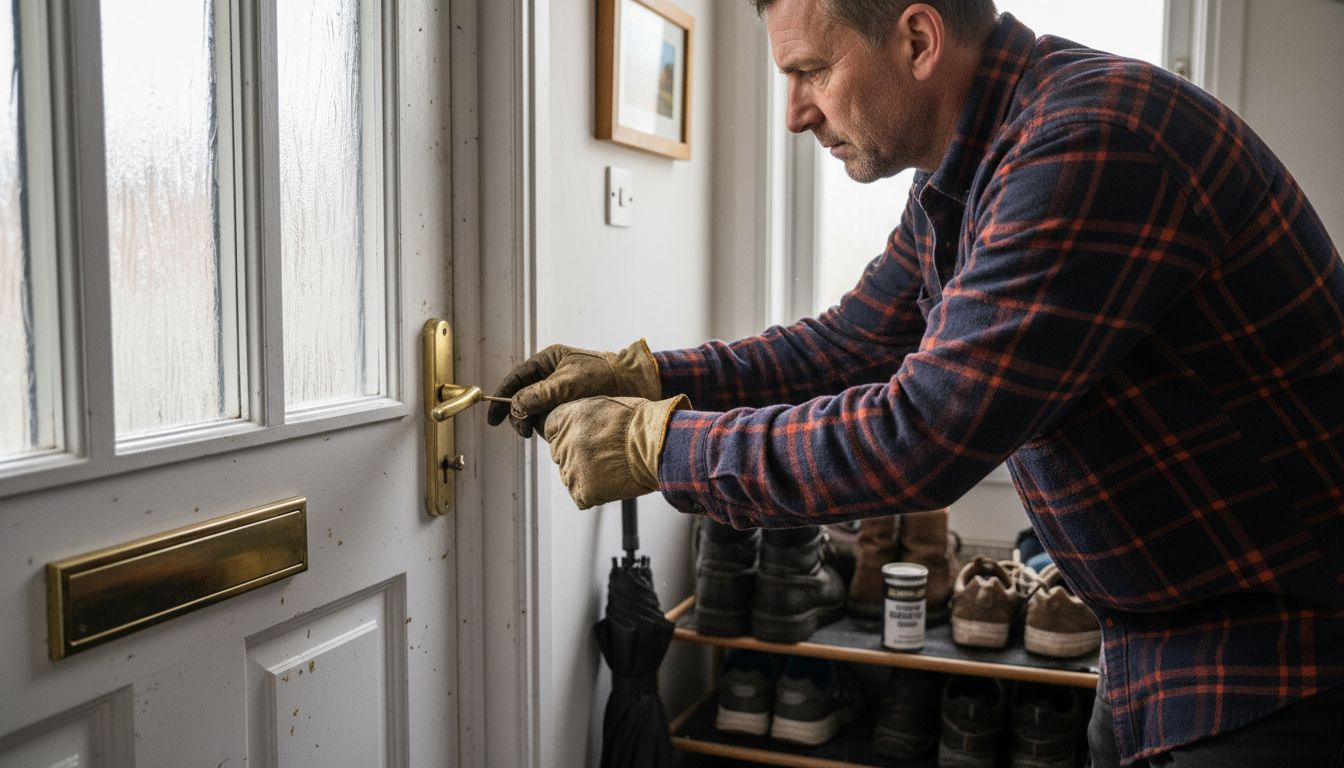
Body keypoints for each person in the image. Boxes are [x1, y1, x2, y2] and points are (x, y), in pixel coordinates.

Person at [488, 0, 1344, 765]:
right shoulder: (968, 168)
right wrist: (648, 375)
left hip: (1283, 659)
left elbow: (919, 437)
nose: (795, 113)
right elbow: (849, 345)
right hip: (1153, 640)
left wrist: (657, 445)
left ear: (919, 40)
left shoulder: (1088, 141)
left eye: (812, 71)